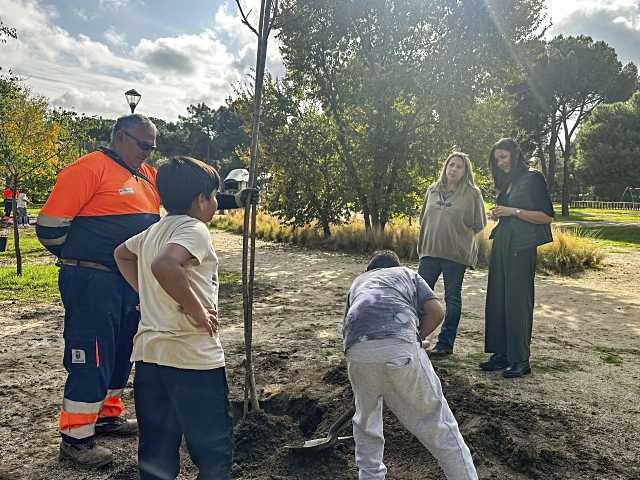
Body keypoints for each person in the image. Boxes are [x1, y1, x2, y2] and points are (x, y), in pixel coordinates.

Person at [36, 114, 256, 468]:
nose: (149, 153)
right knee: (91, 352)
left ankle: (108, 415)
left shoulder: (146, 175)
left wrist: (239, 199)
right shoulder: (89, 169)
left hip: (125, 277)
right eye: (143, 145)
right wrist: (82, 259)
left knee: (122, 349)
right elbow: (49, 230)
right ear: (120, 137)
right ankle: (76, 438)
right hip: (92, 279)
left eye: (153, 147)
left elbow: (192, 198)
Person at [114, 157, 232, 480]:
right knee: (213, 454)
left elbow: (121, 255)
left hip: (150, 361)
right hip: (193, 360)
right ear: (200, 200)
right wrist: (196, 310)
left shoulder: (153, 231)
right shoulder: (195, 229)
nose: (216, 204)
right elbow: (166, 266)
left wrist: (146, 293)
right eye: (214, 196)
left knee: (156, 455)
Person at [344, 250, 478, 480]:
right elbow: (436, 312)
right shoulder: (406, 273)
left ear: (370, 271)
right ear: (394, 266)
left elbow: (355, 323)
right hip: (400, 349)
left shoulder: (359, 283)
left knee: (367, 425)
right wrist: (416, 337)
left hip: (357, 354)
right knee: (440, 426)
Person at [479, 138, 554, 378]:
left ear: (514, 154)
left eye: (503, 157)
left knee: (517, 302)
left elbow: (546, 216)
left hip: (521, 247)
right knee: (498, 298)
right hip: (502, 243)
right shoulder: (508, 183)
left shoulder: (533, 178)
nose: (500, 163)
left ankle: (520, 359)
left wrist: (513, 211)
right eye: (496, 159)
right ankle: (501, 355)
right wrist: (500, 212)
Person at [417, 152, 486, 356]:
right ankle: (415, 337)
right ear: (445, 167)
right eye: (451, 165)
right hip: (429, 251)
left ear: (466, 171)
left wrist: (457, 237)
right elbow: (423, 219)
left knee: (452, 298)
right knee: (418, 297)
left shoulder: (472, 193)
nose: (454, 169)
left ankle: (445, 344)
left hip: (455, 256)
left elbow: (479, 224)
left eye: (459, 167)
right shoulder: (432, 190)